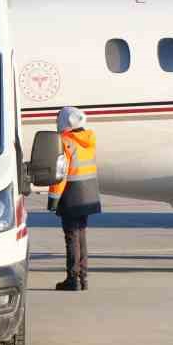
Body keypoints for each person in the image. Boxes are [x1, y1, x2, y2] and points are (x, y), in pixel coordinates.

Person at [51, 106, 100, 291]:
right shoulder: (88, 140)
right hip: (88, 194)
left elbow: (60, 175)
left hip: (71, 195)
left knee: (71, 238)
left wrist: (53, 199)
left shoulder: (65, 142)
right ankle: (83, 278)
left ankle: (72, 279)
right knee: (81, 236)